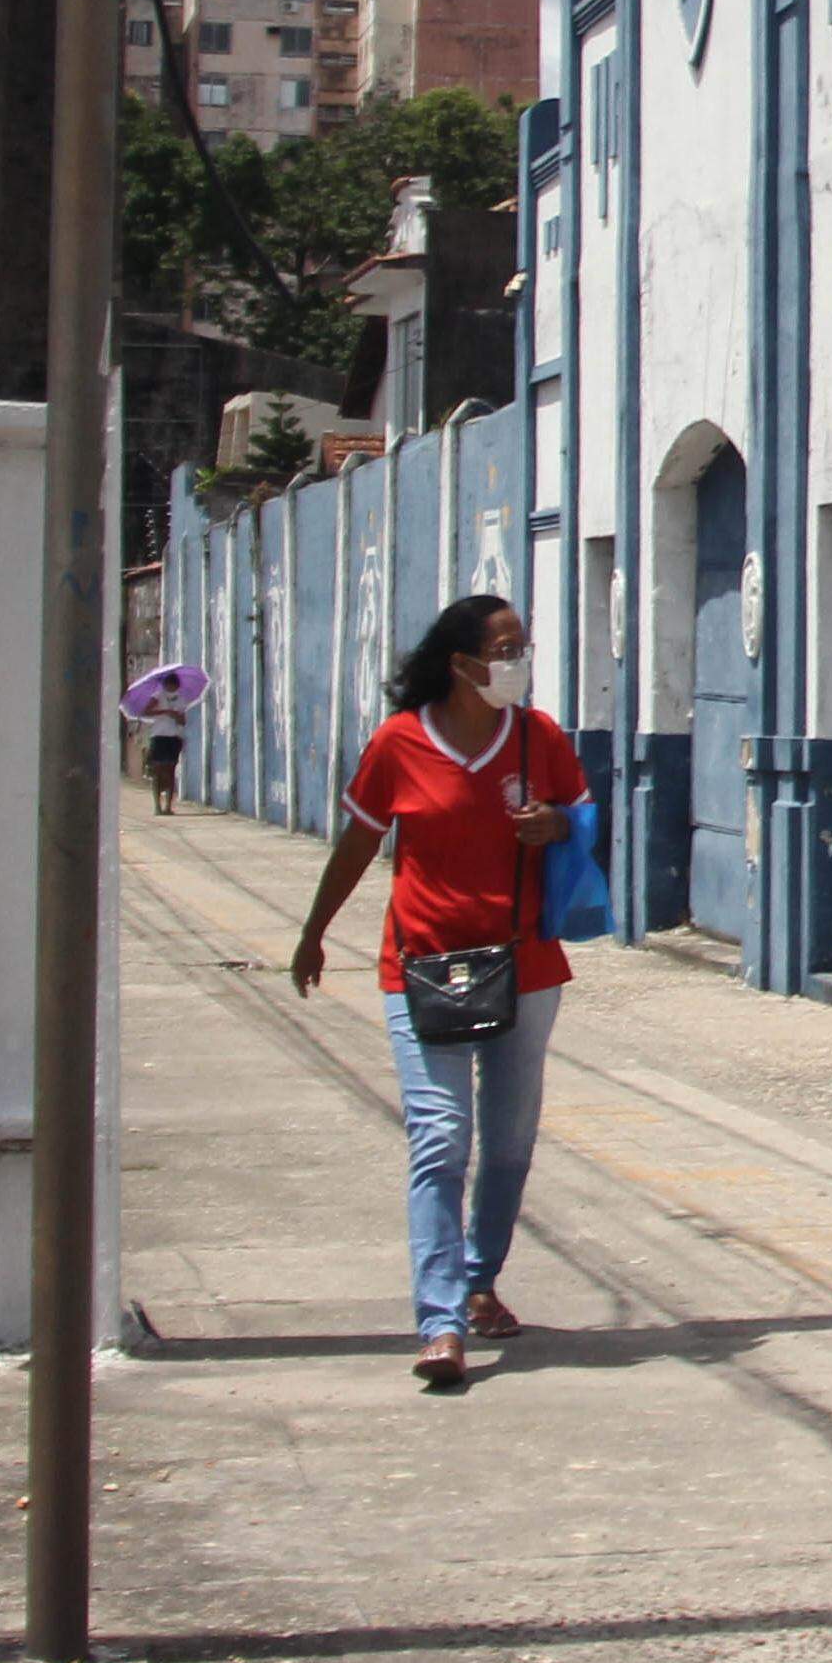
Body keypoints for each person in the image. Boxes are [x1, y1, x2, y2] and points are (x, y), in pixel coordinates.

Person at [289, 595, 587, 1388]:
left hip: (524, 964)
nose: (517, 659)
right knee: (441, 1134)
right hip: (423, 965)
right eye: (503, 648)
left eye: (522, 644)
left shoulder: (538, 735)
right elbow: (359, 839)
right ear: (461, 665)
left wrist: (554, 823)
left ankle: (480, 1275)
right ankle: (441, 1319)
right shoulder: (399, 743)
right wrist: (314, 930)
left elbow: (587, 818)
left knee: (511, 1136)